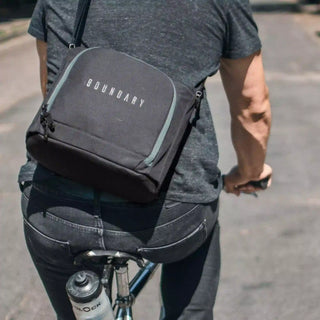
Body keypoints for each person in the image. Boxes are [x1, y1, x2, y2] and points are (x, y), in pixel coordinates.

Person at [18, 0, 272, 319]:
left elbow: (53, 89)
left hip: (56, 208)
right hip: (172, 212)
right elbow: (253, 107)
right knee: (197, 234)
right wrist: (249, 171)